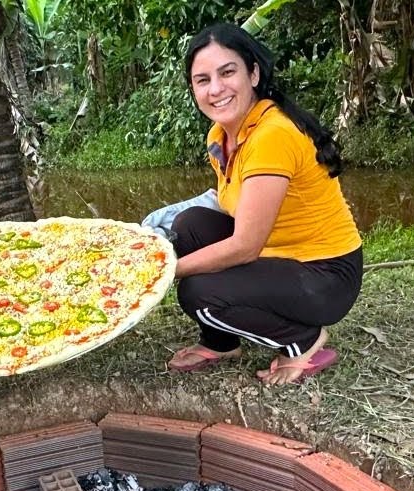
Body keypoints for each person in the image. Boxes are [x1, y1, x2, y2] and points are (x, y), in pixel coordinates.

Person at [142, 23, 363, 385]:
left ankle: (304, 341)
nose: (216, 89)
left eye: (227, 72)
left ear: (254, 73)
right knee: (190, 224)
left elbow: (245, 246)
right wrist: (152, 234)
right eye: (202, 79)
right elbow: (225, 203)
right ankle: (221, 342)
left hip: (325, 276)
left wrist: (165, 270)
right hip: (282, 257)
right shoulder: (221, 134)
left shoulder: (272, 135)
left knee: (197, 293)